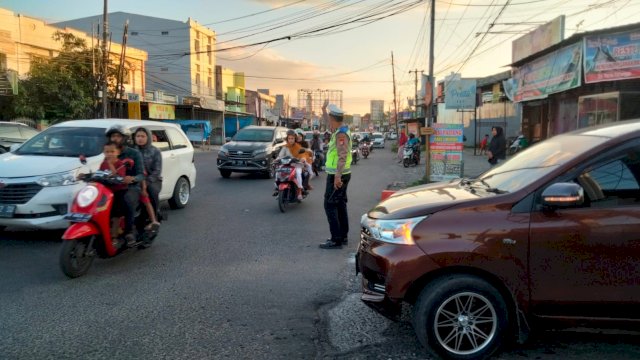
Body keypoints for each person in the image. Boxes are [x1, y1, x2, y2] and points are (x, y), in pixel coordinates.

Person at [319, 101, 352, 249]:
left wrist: (337, 176)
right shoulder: (339, 130)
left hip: (338, 175)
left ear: (334, 120)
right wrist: (323, 110)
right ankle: (342, 236)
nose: (328, 123)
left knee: (330, 204)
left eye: (329, 120)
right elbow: (328, 121)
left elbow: (342, 156)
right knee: (339, 204)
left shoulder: (341, 134)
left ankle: (336, 239)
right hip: (340, 174)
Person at [105, 125, 145, 246]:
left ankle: (129, 231)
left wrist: (132, 178)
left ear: (124, 138)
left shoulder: (134, 153)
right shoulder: (109, 153)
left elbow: (141, 174)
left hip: (131, 187)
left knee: (127, 199)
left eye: (118, 136)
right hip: (112, 185)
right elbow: (102, 169)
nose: (115, 139)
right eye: (113, 136)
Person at [133, 127, 162, 232]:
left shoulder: (155, 151)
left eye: (142, 136)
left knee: (151, 191)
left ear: (148, 137)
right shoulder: (132, 150)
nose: (140, 138)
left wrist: (146, 182)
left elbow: (157, 171)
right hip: (136, 179)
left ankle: (153, 219)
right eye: (138, 136)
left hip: (152, 180)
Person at [277, 130, 313, 199]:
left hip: (296, 165)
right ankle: (278, 187)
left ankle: (299, 190)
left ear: (295, 139)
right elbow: (280, 156)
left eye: (292, 138)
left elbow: (302, 155)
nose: (290, 140)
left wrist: (303, 159)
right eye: (289, 138)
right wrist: (277, 159)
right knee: (278, 171)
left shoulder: (298, 147)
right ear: (287, 139)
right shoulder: (285, 147)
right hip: (286, 165)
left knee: (298, 173)